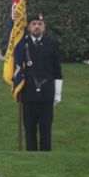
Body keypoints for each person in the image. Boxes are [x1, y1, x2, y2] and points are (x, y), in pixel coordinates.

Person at [21, 12, 63, 151]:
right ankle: (31, 158)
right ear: (28, 27)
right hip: (28, 94)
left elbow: (57, 71)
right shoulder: (22, 44)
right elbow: (17, 69)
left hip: (46, 93)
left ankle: (46, 157)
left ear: (44, 27)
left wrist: (57, 94)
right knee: (29, 130)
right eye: (34, 24)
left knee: (46, 130)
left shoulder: (52, 44)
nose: (37, 27)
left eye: (40, 24)